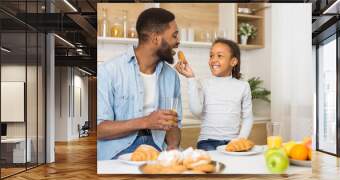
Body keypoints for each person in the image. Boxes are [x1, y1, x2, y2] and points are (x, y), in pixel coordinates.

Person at [97, 8, 182, 160]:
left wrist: (173, 146)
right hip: (118, 152)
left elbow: (175, 124)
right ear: (156, 39)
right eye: (174, 35)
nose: (178, 42)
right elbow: (99, 129)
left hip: (158, 149)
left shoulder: (172, 77)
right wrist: (146, 122)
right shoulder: (109, 71)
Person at [175, 38, 253, 151]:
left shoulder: (243, 86)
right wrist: (191, 79)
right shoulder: (203, 83)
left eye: (220, 56)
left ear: (233, 61)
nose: (213, 60)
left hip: (233, 141)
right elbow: (196, 111)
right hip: (207, 142)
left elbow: (248, 118)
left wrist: (240, 139)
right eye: (211, 56)